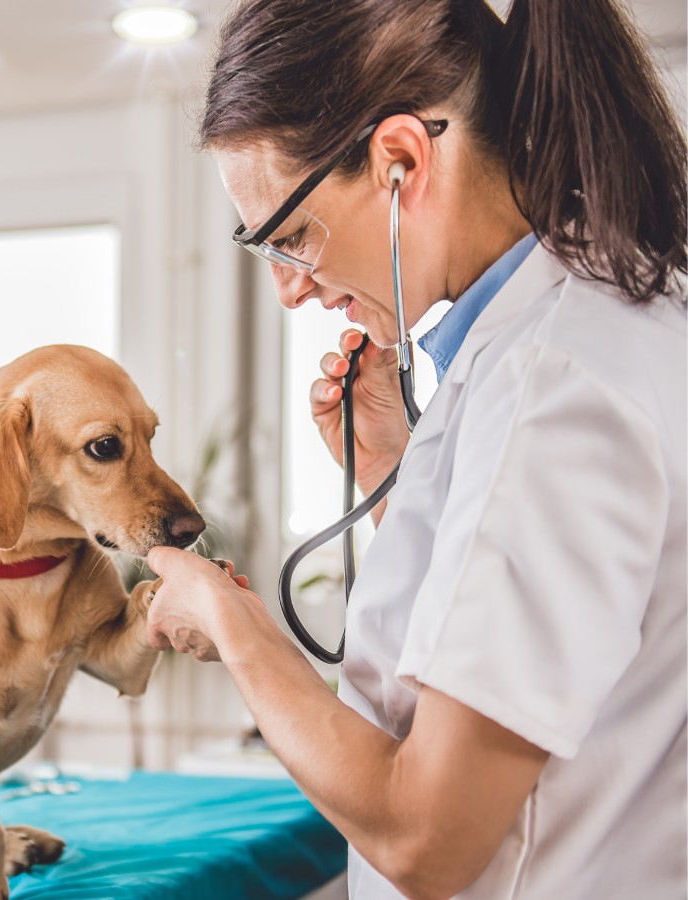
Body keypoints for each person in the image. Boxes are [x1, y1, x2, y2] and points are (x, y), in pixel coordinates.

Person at [145, 0, 687, 896]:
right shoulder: (597, 328)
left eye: (291, 236)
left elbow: (429, 835)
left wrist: (233, 625)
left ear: (401, 159)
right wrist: (396, 474)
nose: (289, 289)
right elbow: (542, 625)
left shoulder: (553, 387)